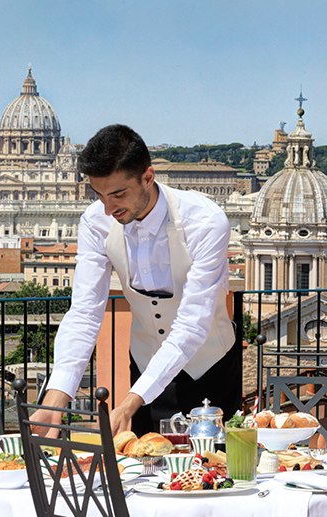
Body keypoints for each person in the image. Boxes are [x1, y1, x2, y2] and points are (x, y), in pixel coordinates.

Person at [32, 124, 241, 436]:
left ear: (148, 177)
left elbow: (192, 324)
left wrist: (130, 402)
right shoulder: (96, 221)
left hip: (210, 368)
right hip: (144, 365)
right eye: (99, 195)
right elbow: (85, 312)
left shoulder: (205, 221)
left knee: (215, 474)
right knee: (144, 467)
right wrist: (57, 395)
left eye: (118, 194)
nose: (108, 208)